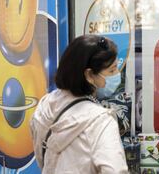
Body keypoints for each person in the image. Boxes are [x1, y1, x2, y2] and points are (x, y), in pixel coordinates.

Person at [30, 35, 128, 174]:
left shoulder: (46, 104)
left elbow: (42, 157)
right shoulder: (100, 122)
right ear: (89, 75)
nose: (117, 74)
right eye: (111, 70)